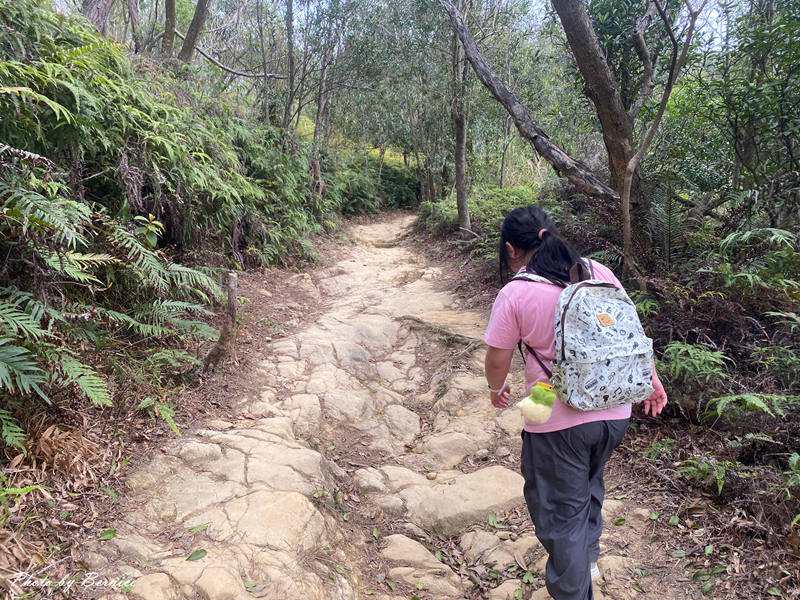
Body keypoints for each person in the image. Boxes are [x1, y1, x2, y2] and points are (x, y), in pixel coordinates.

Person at [483, 205, 667, 600]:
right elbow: (629, 333)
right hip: (614, 409)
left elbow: (497, 357)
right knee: (589, 479)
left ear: (512, 249)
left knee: (557, 510)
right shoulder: (598, 272)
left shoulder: (516, 292)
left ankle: (574, 584)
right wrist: (652, 381)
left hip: (556, 415)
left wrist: (496, 388)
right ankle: (589, 554)